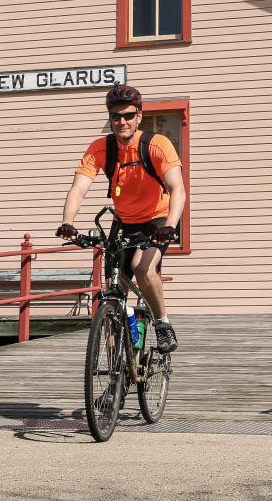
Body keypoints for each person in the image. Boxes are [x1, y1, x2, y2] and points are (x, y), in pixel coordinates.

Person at [57, 84, 185, 353]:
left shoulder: (157, 145)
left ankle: (162, 323)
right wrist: (68, 222)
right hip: (124, 221)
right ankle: (116, 370)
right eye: (116, 116)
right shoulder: (101, 148)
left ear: (139, 116)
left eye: (128, 115)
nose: (122, 121)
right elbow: (78, 188)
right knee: (112, 293)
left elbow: (178, 189)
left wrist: (171, 225)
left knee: (142, 267)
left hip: (158, 220)